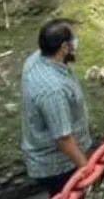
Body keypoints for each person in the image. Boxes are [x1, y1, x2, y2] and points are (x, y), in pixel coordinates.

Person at [21, 19, 91, 197]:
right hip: (59, 166)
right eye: (73, 39)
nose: (76, 42)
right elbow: (63, 139)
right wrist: (86, 170)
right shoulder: (54, 91)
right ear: (64, 47)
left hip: (48, 155)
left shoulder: (35, 59)